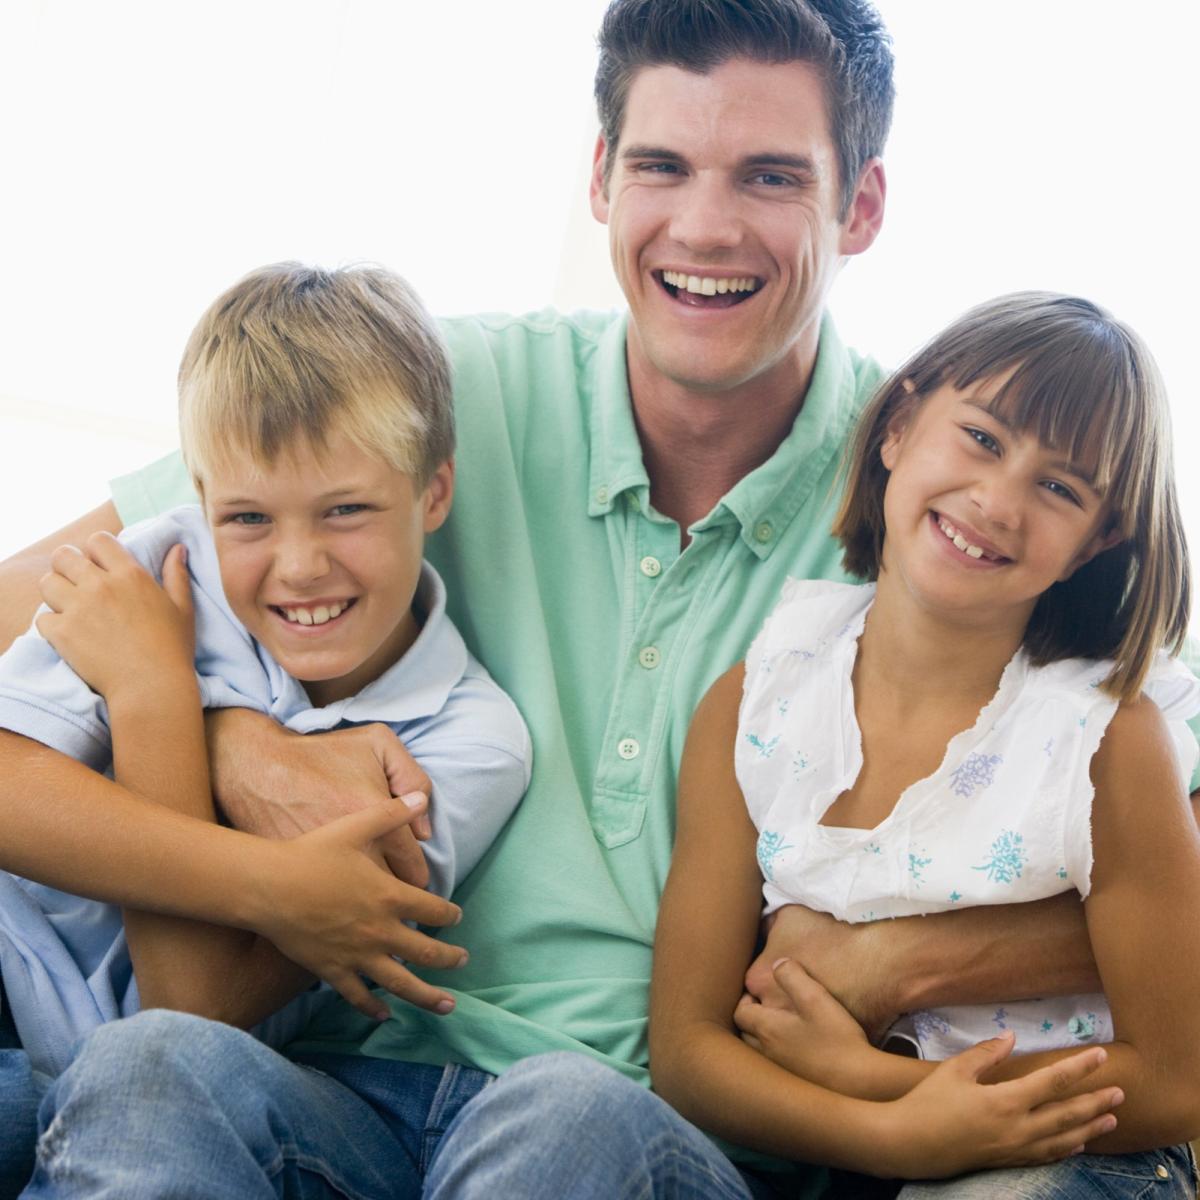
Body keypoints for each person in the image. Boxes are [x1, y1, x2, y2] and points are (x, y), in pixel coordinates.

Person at [0, 2, 1175, 1197]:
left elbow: (1147, 836)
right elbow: (54, 613)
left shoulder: (946, 501)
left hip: (658, 1127)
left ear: (859, 205)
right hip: (335, 1084)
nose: (705, 225)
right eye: (663, 165)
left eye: (770, 176)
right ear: (604, 177)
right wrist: (222, 736)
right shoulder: (429, 395)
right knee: (147, 1067)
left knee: (565, 1119)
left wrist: (901, 963)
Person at [651, 291, 1200, 1197]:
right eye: (981, 438)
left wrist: (887, 1088)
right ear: (899, 427)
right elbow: (687, 1050)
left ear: (1096, 543)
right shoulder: (756, 699)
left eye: (1058, 487)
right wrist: (894, 1136)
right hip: (834, 1156)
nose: (996, 501)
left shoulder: (1103, 738)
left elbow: (1180, 1081)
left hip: (1076, 1160)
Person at [0, 263, 529, 1193]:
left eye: (346, 511)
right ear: (203, 501)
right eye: (247, 517)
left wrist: (155, 697)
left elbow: (190, 1013)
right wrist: (272, 878)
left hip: (146, 1083)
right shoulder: (163, 564)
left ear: (434, 492)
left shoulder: (466, 739)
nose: (299, 566)